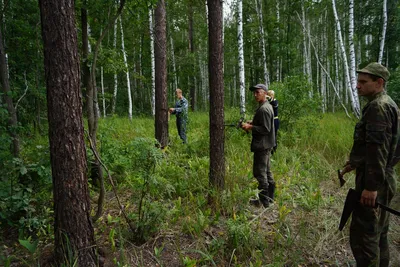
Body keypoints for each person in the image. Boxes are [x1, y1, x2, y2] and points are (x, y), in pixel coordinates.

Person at [340, 62, 399, 266]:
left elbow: (378, 149)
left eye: (363, 82)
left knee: (365, 237)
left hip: (375, 180)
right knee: (379, 232)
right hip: (384, 176)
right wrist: (354, 163)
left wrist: (371, 187)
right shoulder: (389, 104)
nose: (358, 86)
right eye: (358, 81)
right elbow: (390, 146)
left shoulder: (378, 107)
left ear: (379, 82)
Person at [241, 84, 276, 208]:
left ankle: (264, 202)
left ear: (265, 93)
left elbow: (265, 129)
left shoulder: (264, 109)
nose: (255, 95)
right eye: (254, 93)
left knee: (260, 173)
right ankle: (270, 199)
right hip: (265, 145)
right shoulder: (265, 106)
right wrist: (253, 122)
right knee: (267, 172)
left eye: (258, 92)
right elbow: (264, 123)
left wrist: (250, 127)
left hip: (262, 146)